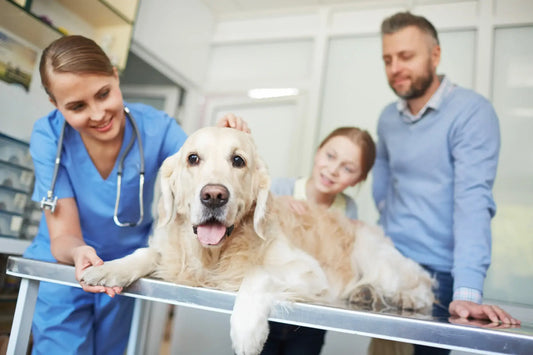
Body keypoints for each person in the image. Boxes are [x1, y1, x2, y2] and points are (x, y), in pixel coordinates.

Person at [23, 35, 249, 355]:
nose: (98, 113)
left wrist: (224, 140)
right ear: (56, 106)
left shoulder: (157, 128)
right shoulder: (48, 136)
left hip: (124, 269)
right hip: (64, 263)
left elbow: (197, 171)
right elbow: (63, 235)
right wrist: (78, 254)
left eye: (104, 94)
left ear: (115, 76)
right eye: (77, 106)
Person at [372, 11, 520, 354]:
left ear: (435, 55)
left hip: (439, 277)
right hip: (390, 265)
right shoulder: (387, 118)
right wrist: (385, 225)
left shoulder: (471, 112)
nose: (395, 68)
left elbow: (472, 201)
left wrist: (467, 292)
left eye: (406, 56)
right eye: (388, 59)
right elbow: (383, 178)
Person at [260, 126, 376, 355]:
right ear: (318, 151)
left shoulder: (348, 209)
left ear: (358, 179)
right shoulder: (281, 189)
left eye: (348, 168)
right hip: (267, 308)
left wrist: (358, 236)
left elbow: (342, 266)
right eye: (330, 156)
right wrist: (274, 204)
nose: (333, 170)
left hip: (313, 318)